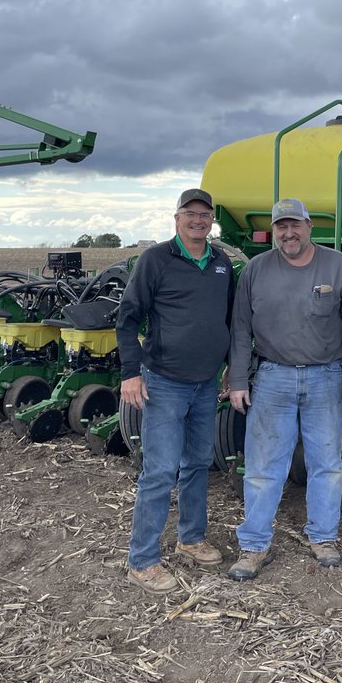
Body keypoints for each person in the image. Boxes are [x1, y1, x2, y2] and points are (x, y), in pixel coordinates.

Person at [225, 197, 342, 580]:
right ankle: (254, 545)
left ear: (309, 226)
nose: (288, 233)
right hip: (273, 377)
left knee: (326, 463)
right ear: (274, 231)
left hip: (325, 377)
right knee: (263, 467)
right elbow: (240, 330)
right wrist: (238, 379)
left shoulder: (336, 264)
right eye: (280, 227)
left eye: (295, 225)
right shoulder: (256, 270)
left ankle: (323, 537)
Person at [117, 189, 234, 595]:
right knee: (161, 470)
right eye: (190, 214)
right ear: (177, 218)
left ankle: (191, 537)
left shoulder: (221, 263)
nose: (198, 220)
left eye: (205, 215)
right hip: (165, 381)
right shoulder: (156, 260)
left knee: (198, 463)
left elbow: (229, 320)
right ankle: (142, 560)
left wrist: (230, 368)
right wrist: (130, 372)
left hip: (205, 383)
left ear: (211, 219)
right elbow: (128, 317)